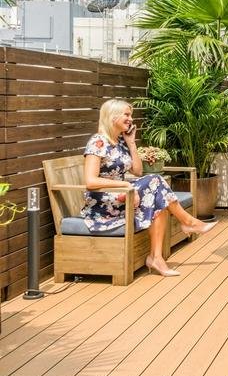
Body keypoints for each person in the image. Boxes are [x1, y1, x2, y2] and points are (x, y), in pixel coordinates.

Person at [82, 99, 216, 277]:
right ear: (112, 116)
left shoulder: (120, 142)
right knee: (155, 182)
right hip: (103, 204)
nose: (131, 119)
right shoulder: (98, 142)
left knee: (159, 199)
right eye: (126, 115)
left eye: (131, 115)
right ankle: (188, 223)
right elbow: (90, 181)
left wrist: (131, 143)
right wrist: (125, 185)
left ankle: (157, 257)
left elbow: (137, 171)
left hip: (123, 196)